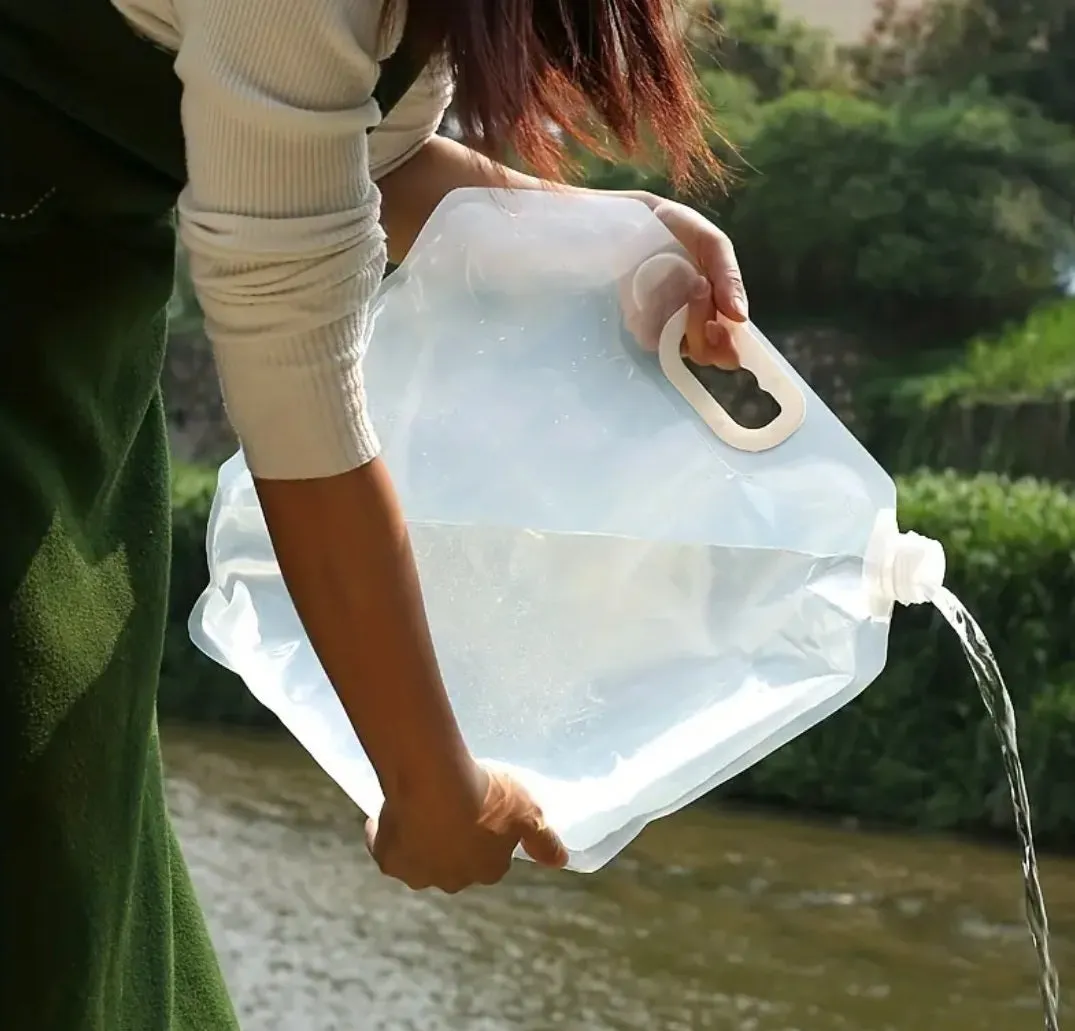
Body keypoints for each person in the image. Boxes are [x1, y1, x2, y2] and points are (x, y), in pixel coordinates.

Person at [0, 0, 750, 1027]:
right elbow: (294, 364)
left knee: (83, 849)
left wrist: (614, 244)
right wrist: (432, 782)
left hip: (72, 357)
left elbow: (356, 164)